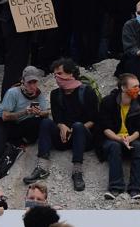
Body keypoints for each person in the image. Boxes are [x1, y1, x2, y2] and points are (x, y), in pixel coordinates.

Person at [0, 66, 50, 192]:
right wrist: (25, 111)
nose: (32, 86)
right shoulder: (13, 92)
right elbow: (5, 116)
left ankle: (19, 141)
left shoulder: (38, 95)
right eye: (30, 82)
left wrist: (39, 113)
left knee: (42, 121)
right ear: (23, 81)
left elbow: (46, 112)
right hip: (2, 123)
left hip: (19, 125)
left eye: (35, 82)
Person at [40, 59, 100, 192]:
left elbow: (94, 120)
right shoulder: (55, 94)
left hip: (83, 137)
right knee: (45, 122)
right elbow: (56, 119)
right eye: (55, 74)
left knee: (78, 126)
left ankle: (77, 172)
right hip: (64, 137)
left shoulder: (87, 92)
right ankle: (42, 166)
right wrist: (61, 126)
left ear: (71, 73)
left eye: (60, 73)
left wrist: (75, 129)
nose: (57, 77)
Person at [98, 72, 140, 203]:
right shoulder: (108, 101)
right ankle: (115, 187)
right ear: (124, 88)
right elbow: (105, 128)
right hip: (112, 138)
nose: (138, 89)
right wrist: (120, 139)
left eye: (138, 86)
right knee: (114, 146)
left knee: (139, 147)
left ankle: (135, 189)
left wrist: (129, 139)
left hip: (131, 137)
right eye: (134, 86)